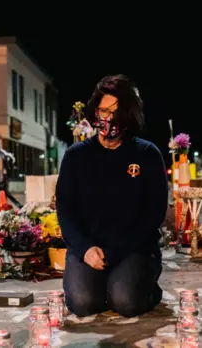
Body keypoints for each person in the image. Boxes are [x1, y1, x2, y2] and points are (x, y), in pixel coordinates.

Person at [56, 75, 168, 318]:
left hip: (133, 248)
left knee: (125, 302)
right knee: (83, 303)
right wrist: (85, 248)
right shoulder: (76, 156)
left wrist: (118, 250)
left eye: (115, 112)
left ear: (129, 116)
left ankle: (147, 289)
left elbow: (154, 213)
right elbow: (65, 209)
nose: (107, 118)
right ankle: (105, 284)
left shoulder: (147, 154)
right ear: (95, 110)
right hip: (88, 249)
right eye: (103, 110)